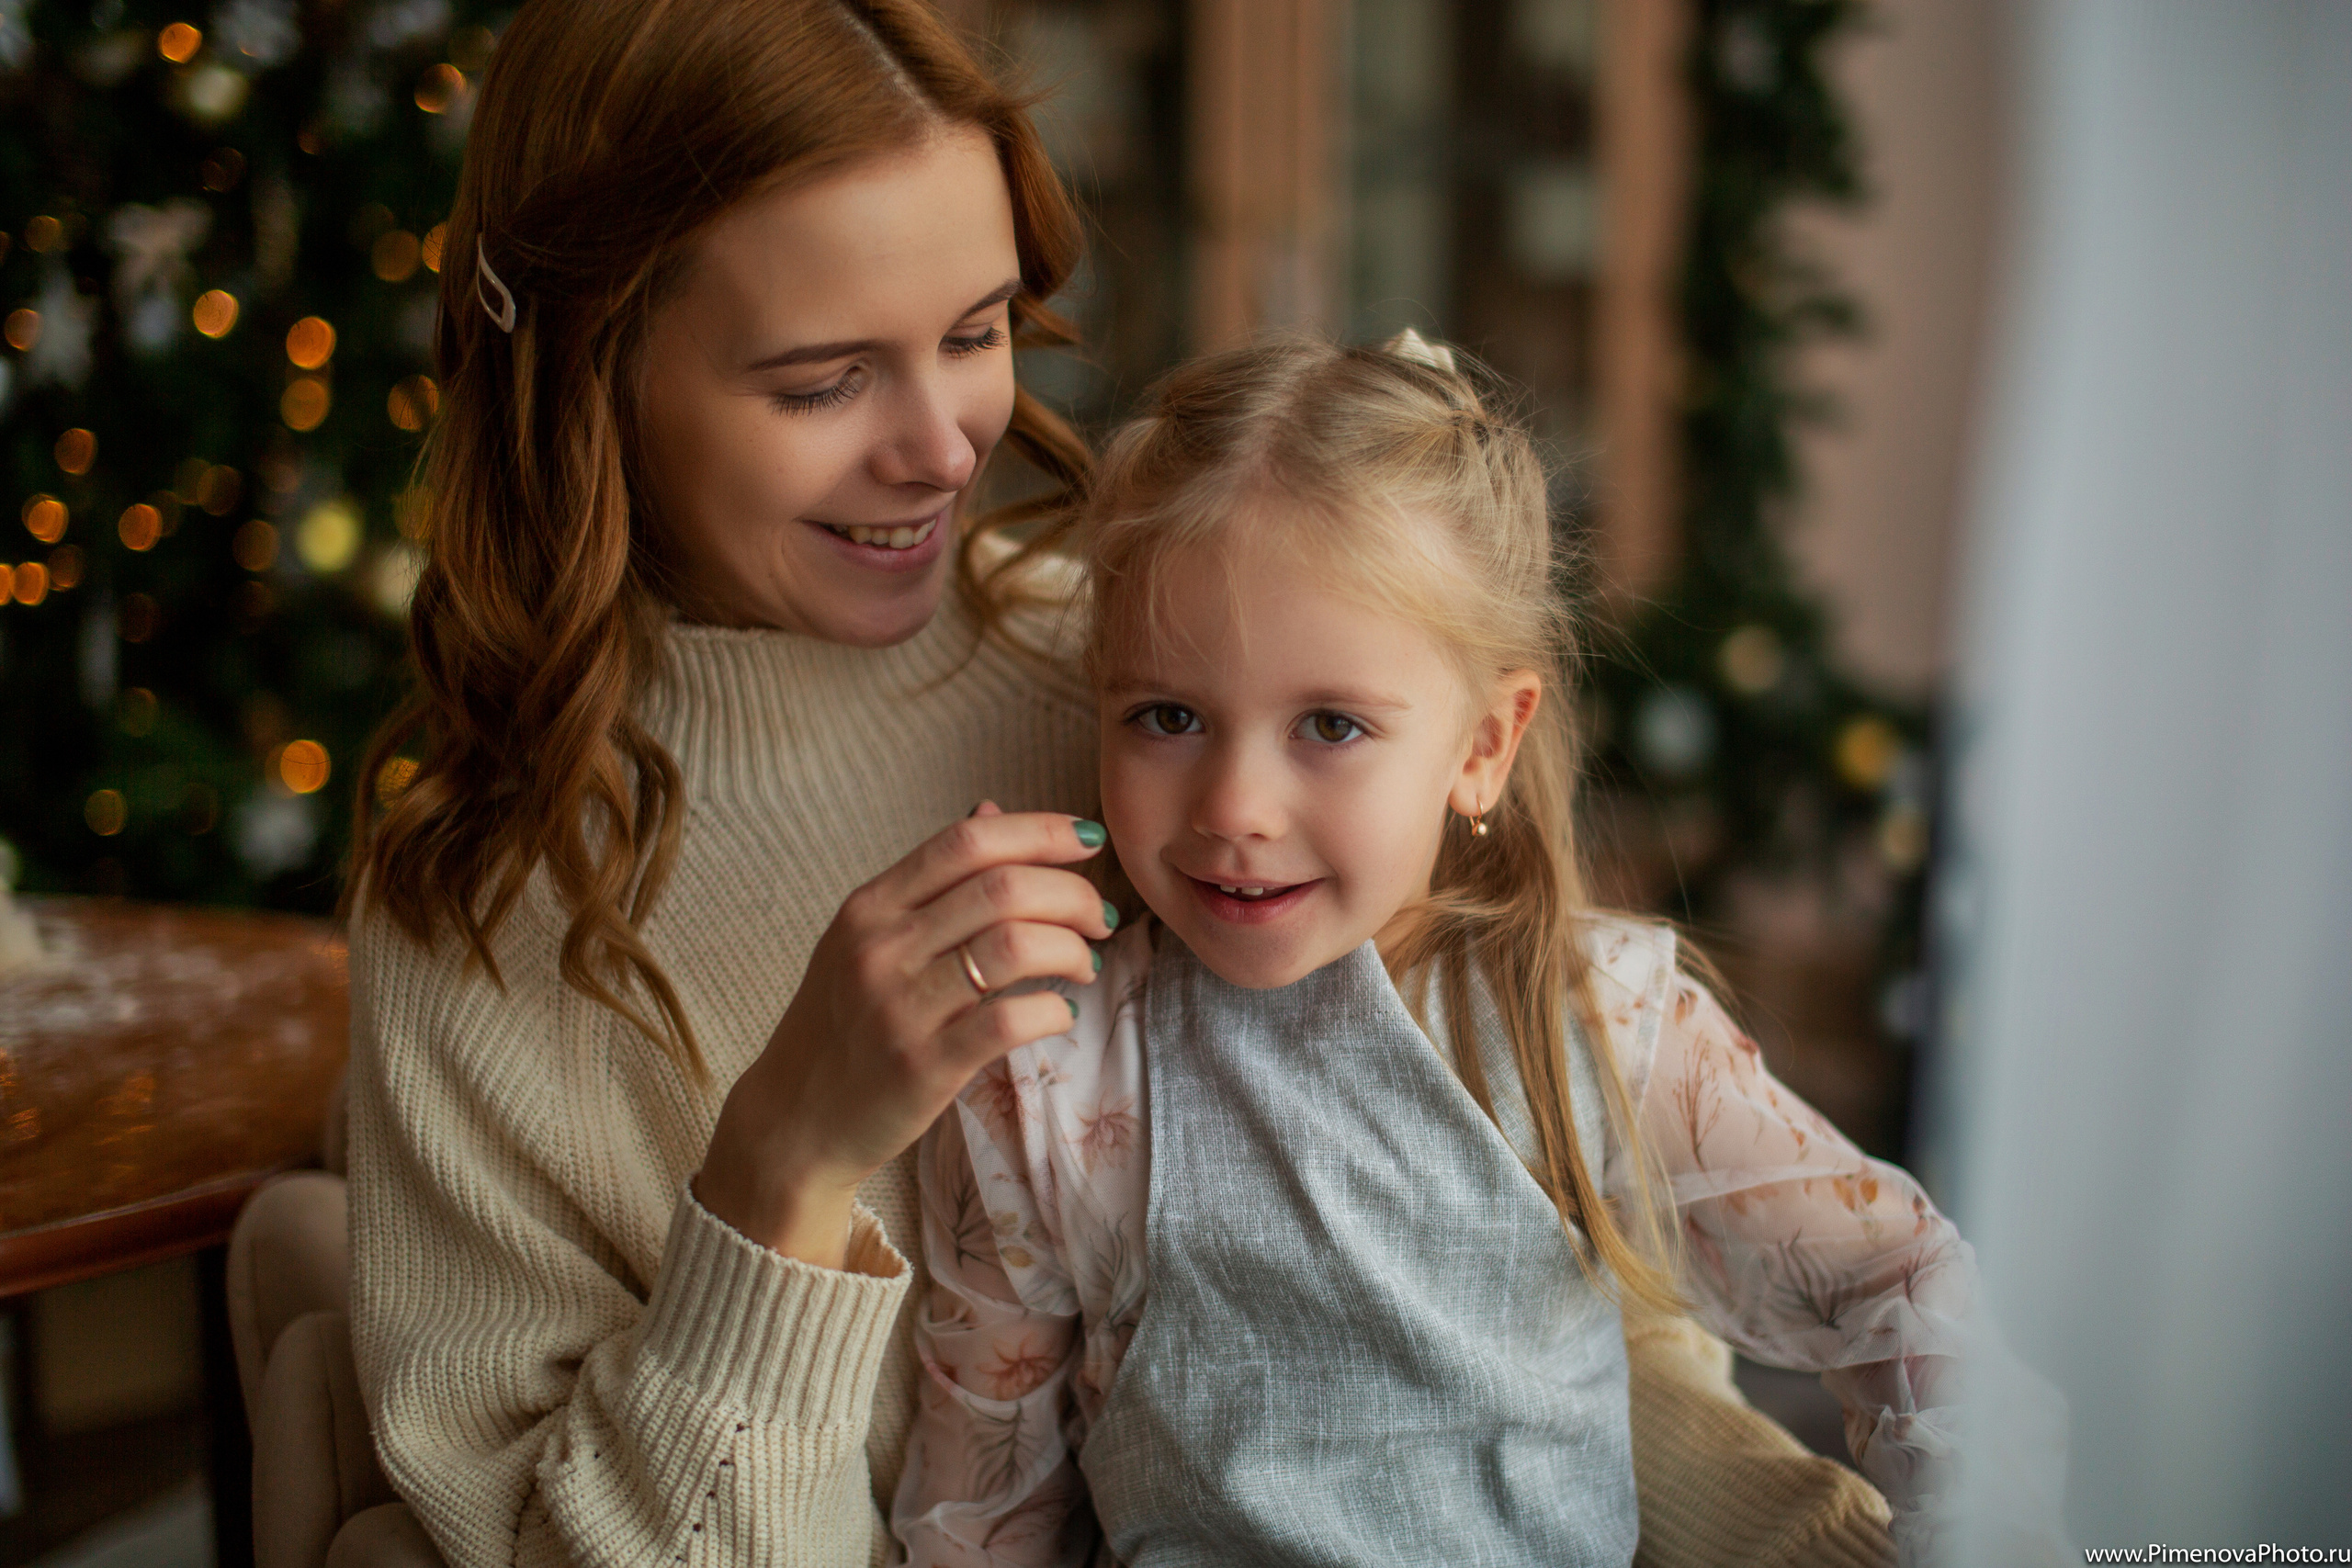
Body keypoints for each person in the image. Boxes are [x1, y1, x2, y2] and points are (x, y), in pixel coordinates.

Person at [343, 2, 1903, 1564]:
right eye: (822, 381)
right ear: (590, 368)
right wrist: (785, 1164)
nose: (945, 451)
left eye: (975, 333)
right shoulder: (480, 923)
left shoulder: (1155, 670)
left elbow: (1526, 1298)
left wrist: (1837, 1540)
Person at [891, 336, 2063, 1566]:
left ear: (1484, 746)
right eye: (1167, 716)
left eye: (1330, 725)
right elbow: (982, 1512)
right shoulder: (1048, 1078)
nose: (1233, 805)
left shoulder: (1597, 1024)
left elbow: (1901, 1283)